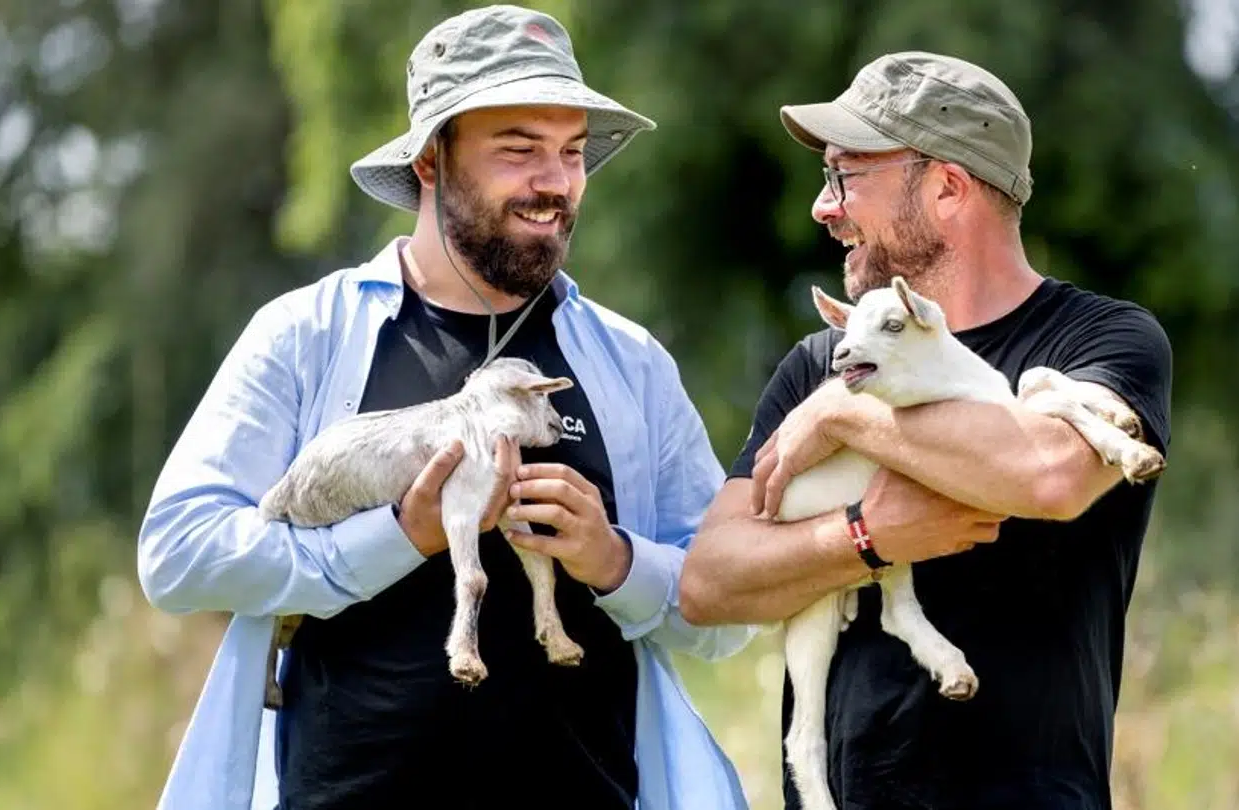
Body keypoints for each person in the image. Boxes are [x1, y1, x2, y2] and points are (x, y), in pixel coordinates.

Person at [136, 6, 755, 810]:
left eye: (572, 153)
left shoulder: (629, 363)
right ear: (431, 160)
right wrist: (396, 538)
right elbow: (178, 553)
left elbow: (724, 609)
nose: (557, 182)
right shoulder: (304, 335)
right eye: (519, 150)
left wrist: (615, 562)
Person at [679, 51, 1173, 810]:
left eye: (848, 176)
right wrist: (863, 537)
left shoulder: (1103, 339)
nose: (824, 207)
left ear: (947, 188)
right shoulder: (818, 362)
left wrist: (847, 415)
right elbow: (709, 582)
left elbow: (1050, 476)